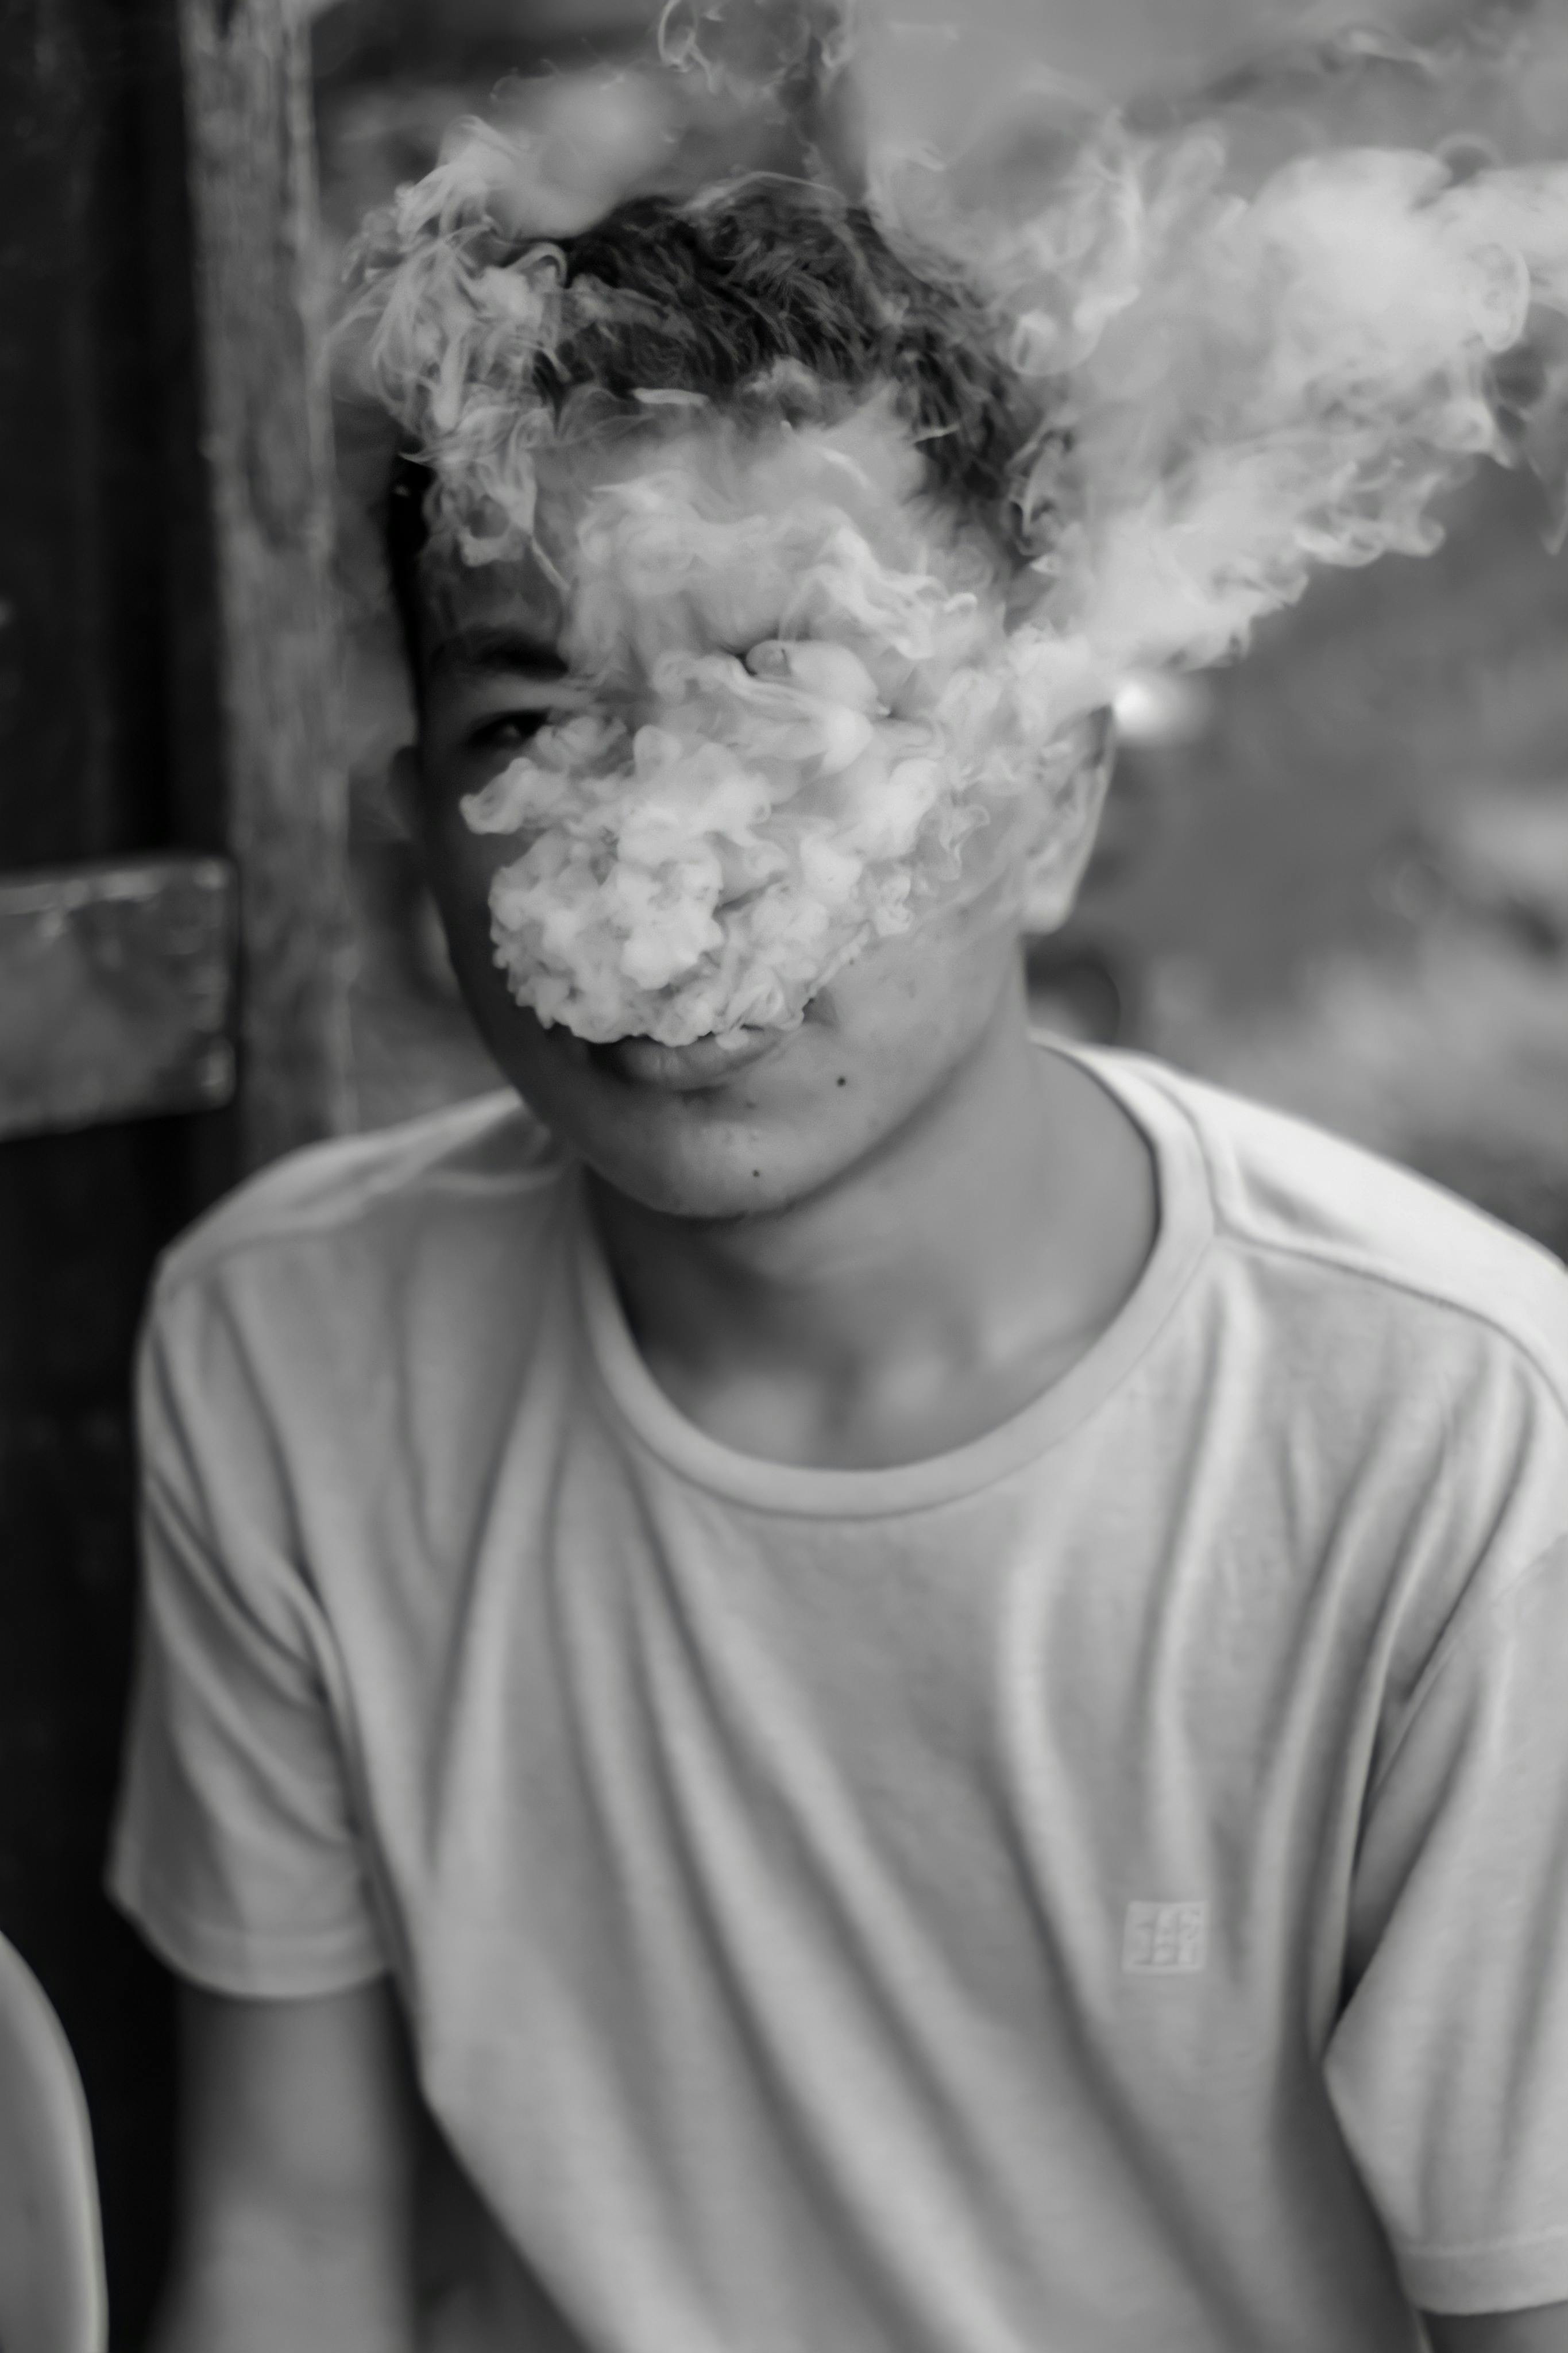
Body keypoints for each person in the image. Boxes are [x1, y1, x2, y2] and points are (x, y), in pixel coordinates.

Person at [109, 173, 1568, 2353]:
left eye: (797, 697)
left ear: (1050, 800)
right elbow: (289, 2247)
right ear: (417, 817)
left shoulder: (1461, 1448)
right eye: (531, 727)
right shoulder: (281, 1347)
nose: (660, 842)